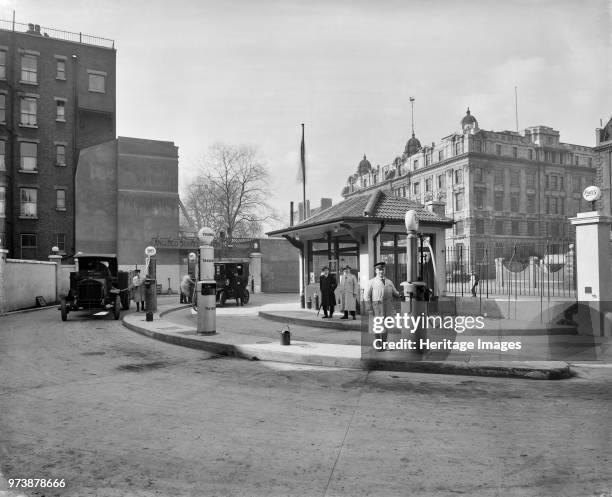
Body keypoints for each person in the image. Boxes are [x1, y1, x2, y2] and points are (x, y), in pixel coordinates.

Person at [366, 261, 401, 346]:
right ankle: (378, 345)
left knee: (386, 326)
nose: (381, 272)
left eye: (383, 270)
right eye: (379, 270)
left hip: (388, 307)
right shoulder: (371, 282)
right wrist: (370, 309)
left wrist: (403, 294)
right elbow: (367, 296)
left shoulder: (389, 282)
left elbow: (395, 293)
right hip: (377, 307)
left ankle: (384, 344)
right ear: (376, 271)